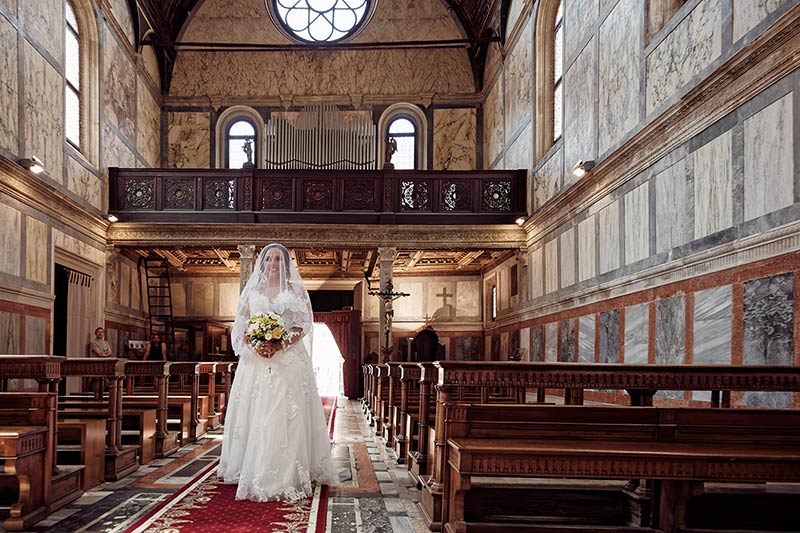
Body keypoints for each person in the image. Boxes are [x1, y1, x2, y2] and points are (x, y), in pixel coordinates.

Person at [218, 243, 336, 502]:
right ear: (262, 263)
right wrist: (257, 344)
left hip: (289, 360)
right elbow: (241, 326)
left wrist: (280, 343)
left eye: (278, 260)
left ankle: (287, 470)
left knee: (285, 410)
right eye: (268, 259)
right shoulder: (252, 293)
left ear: (286, 264)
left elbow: (304, 324)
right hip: (256, 362)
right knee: (255, 409)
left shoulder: (296, 291)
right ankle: (251, 464)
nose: (273, 264)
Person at [88, 327, 112, 398]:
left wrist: (104, 353)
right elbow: (99, 353)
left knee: (105, 380)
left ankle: (102, 394)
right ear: (96, 333)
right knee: (96, 380)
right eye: (98, 332)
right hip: (96, 364)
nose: (100, 333)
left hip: (105, 364)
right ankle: (95, 395)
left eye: (102, 332)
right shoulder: (93, 343)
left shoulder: (106, 343)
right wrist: (104, 353)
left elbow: (110, 352)